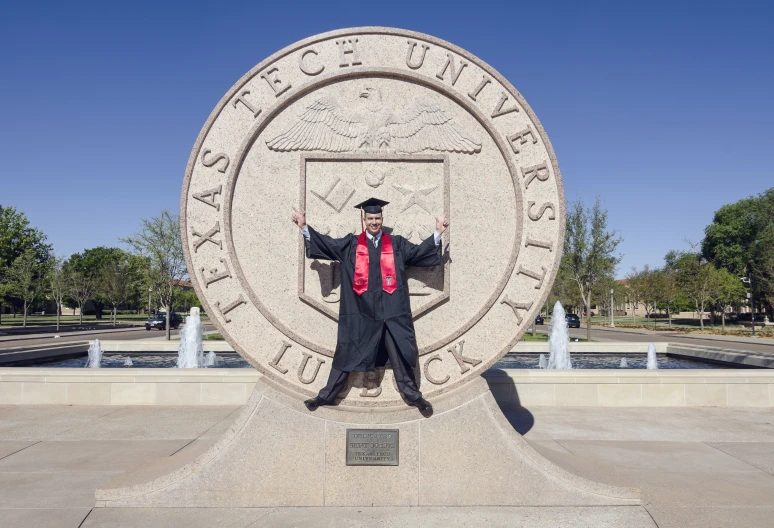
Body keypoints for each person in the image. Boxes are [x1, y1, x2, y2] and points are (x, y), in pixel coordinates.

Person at [291, 197, 449, 415]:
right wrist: (304, 227)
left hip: (392, 313)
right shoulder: (351, 245)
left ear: (382, 218)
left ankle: (415, 397)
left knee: (401, 356)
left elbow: (418, 253)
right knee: (346, 352)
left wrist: (438, 233)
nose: (374, 222)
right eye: (370, 218)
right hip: (361, 313)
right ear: (363, 219)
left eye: (377, 218)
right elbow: (327, 244)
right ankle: (325, 396)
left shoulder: (396, 244)